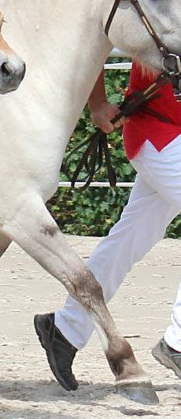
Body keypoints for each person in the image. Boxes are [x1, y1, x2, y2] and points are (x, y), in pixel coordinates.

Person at [34, 60, 181, 391]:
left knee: (127, 242)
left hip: (170, 138)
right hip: (159, 133)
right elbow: (101, 32)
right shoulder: (158, 6)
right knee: (128, 242)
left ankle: (65, 329)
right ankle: (178, 343)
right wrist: (97, 103)